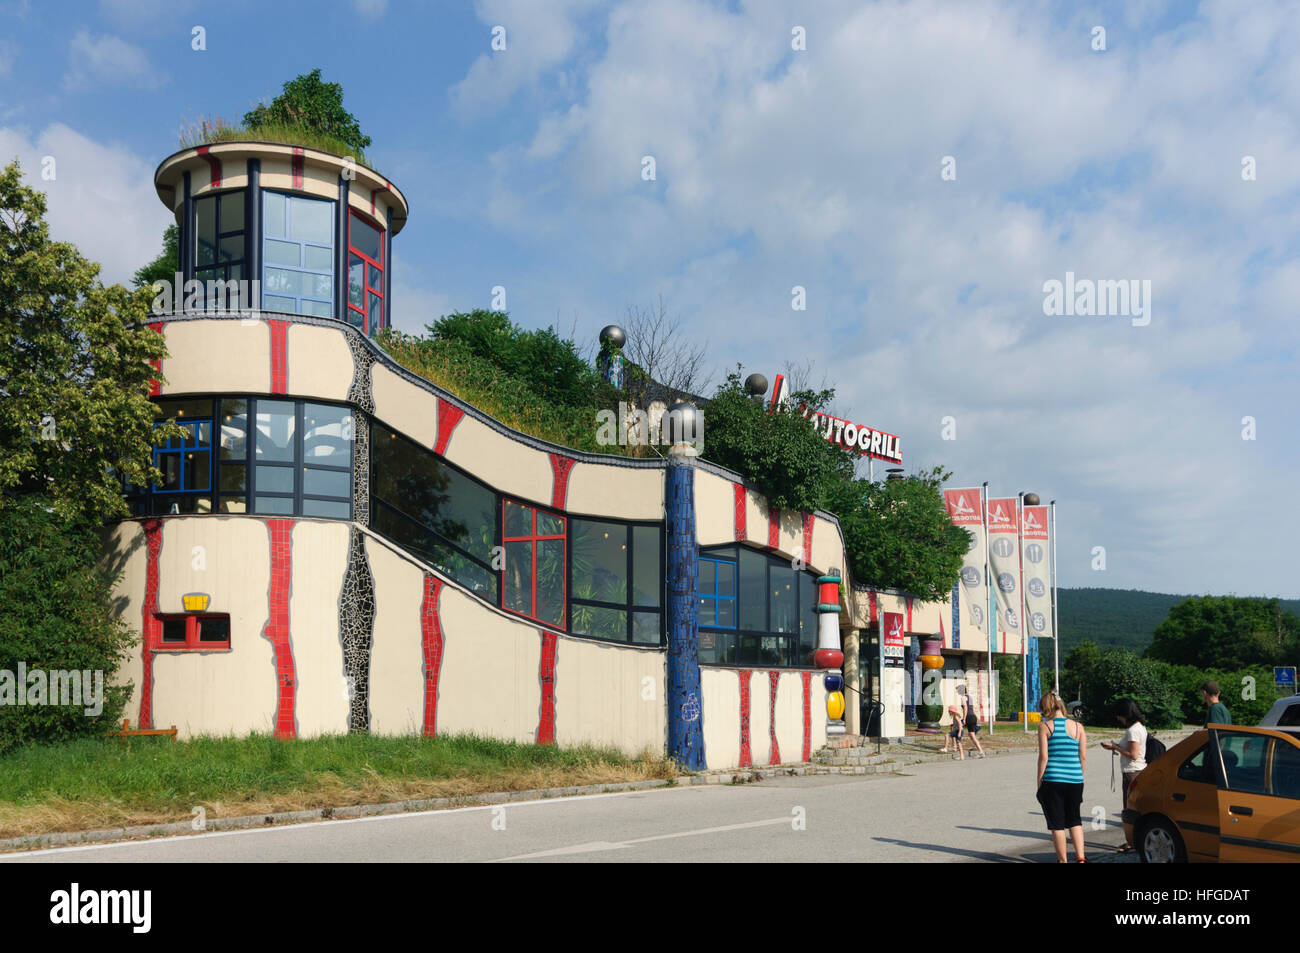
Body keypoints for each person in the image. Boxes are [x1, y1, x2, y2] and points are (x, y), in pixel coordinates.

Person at [1036, 690, 1088, 863]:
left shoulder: (1046, 727)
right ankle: (1081, 858)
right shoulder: (1078, 727)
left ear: (1046, 707)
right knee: (1075, 820)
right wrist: (1079, 774)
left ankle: (1063, 860)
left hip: (1053, 779)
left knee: (1057, 824)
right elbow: (1083, 756)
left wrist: (1039, 781)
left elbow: (1044, 757)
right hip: (1075, 779)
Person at [1101, 699, 1147, 854]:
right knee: (1135, 808)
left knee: (1129, 809)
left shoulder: (1133, 730)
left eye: (1119, 715)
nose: (1118, 718)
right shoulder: (1141, 727)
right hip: (1139, 770)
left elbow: (1133, 755)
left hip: (1132, 772)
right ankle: (1135, 841)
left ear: (1126, 714)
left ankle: (1131, 842)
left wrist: (1115, 747)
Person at [958, 683, 986, 758]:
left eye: (958, 690)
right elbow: (971, 708)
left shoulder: (963, 697)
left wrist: (964, 719)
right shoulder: (969, 697)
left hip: (968, 717)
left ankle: (981, 752)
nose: (957, 692)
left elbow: (965, 708)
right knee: (971, 735)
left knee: (968, 733)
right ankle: (978, 748)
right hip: (973, 716)